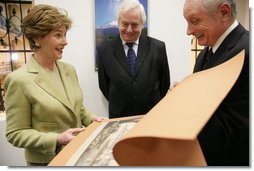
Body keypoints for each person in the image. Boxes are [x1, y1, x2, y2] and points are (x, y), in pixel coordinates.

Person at [4, 4, 104, 166]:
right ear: (37, 38)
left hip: (78, 156)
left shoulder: (68, 70)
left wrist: (92, 120)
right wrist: (57, 139)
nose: (65, 42)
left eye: (65, 35)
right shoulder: (19, 80)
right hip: (47, 162)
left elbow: (76, 108)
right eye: (58, 35)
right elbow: (15, 133)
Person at [183, 0, 249, 166]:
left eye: (195, 21)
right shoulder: (205, 52)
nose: (188, 31)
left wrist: (184, 104)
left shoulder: (247, 52)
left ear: (224, 13)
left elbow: (239, 131)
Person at [97, 0, 171, 118]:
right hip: (119, 118)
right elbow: (104, 86)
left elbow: (164, 83)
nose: (129, 29)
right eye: (125, 24)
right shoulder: (104, 51)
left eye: (135, 25)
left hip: (151, 117)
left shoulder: (158, 48)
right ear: (118, 23)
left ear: (142, 24)